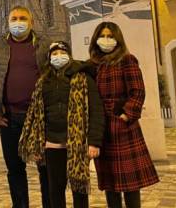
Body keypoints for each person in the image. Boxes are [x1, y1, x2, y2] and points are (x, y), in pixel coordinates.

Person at [18, 41, 104, 208]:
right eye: (54, 54)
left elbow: (96, 111)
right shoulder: (43, 81)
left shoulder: (83, 78)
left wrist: (94, 141)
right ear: (49, 58)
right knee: (55, 190)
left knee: (79, 188)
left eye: (61, 53)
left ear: (69, 55)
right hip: (51, 144)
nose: (58, 57)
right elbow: (35, 114)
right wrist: (36, 144)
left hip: (77, 144)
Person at [0, 5, 51, 208]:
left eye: (23, 18)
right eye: (14, 18)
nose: (18, 22)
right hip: (9, 118)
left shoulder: (44, 46)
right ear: (8, 22)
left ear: (31, 22)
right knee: (15, 168)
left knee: (45, 168)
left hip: (39, 119)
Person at [89, 22, 158, 208]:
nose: (106, 40)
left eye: (110, 36)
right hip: (102, 128)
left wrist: (126, 116)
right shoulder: (94, 65)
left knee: (130, 183)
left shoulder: (127, 60)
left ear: (117, 39)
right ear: (96, 40)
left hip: (123, 128)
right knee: (110, 182)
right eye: (102, 36)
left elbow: (138, 92)